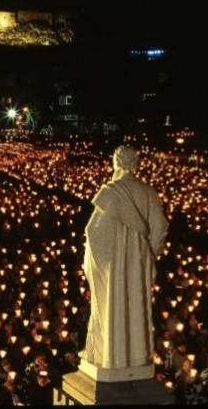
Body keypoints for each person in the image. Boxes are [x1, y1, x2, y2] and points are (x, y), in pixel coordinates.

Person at [80, 145, 169, 369]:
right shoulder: (148, 192)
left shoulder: (110, 192)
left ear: (116, 163)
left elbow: (93, 231)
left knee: (113, 305)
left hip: (114, 266)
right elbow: (160, 228)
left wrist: (99, 261)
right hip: (138, 263)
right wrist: (148, 254)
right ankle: (136, 357)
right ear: (135, 164)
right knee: (135, 305)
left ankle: (110, 356)